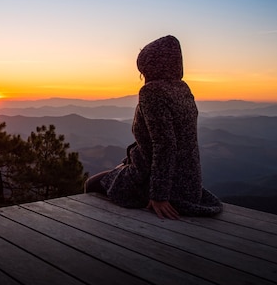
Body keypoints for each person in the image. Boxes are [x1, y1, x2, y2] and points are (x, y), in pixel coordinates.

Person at [85, 35, 222, 219]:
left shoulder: (151, 92)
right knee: (116, 171)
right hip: (188, 183)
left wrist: (159, 195)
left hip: (163, 185)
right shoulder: (183, 89)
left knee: (92, 184)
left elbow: (165, 145)